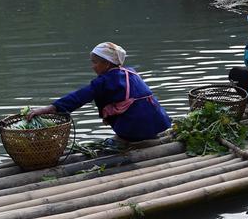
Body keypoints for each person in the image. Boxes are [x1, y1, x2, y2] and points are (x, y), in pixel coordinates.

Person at [26, 42, 171, 148]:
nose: (92, 66)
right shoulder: (131, 72)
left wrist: (47, 109)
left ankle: (129, 138)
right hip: (160, 123)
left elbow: (77, 98)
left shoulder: (103, 81)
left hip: (134, 128)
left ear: (107, 64)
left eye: (95, 62)